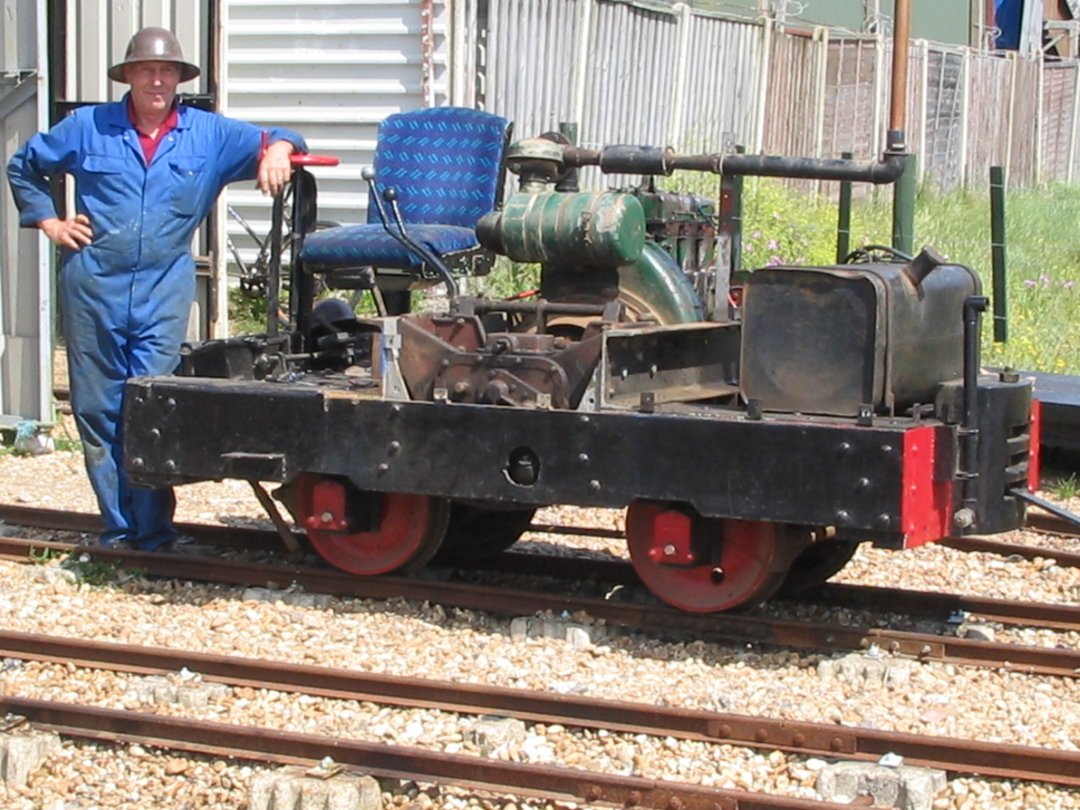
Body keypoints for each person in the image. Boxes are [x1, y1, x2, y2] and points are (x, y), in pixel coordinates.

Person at [6, 27, 307, 552]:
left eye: (167, 71)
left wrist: (279, 148)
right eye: (146, 70)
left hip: (164, 290)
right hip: (93, 284)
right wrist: (49, 223)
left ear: (179, 79)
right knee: (98, 410)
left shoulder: (208, 135)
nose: (157, 80)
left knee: (151, 405)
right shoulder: (87, 126)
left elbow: (283, 135)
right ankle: (120, 531)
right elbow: (24, 166)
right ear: (128, 76)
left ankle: (154, 532)